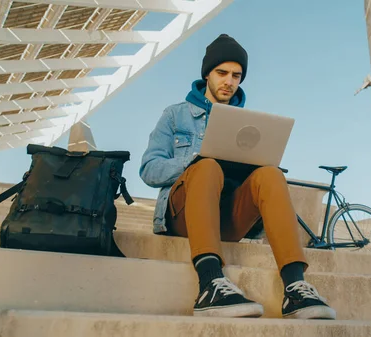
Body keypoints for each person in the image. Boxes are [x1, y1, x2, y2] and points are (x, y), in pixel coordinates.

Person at [139, 34, 336, 320]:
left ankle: (295, 287)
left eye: (236, 75)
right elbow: (149, 169)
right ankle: (209, 284)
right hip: (183, 216)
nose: (229, 81)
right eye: (222, 73)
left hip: (227, 219)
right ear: (207, 73)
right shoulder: (175, 115)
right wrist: (194, 161)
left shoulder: (248, 124)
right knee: (207, 167)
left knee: (270, 174)